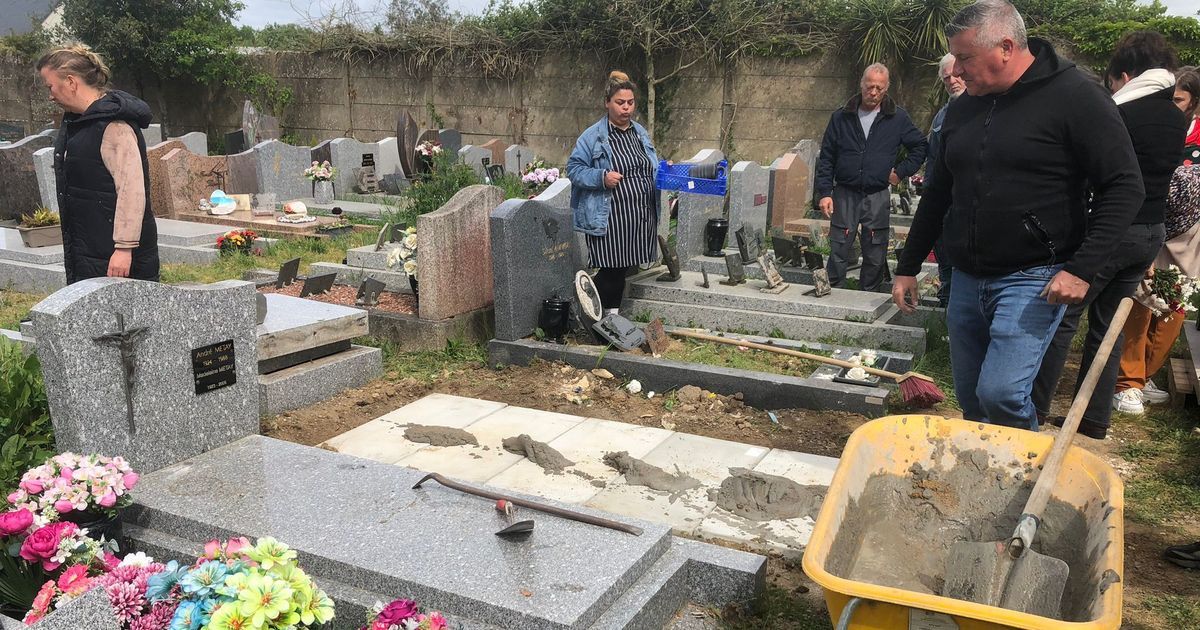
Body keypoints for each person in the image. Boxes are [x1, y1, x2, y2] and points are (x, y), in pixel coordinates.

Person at [892, 0, 1144, 430]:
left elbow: (1124, 186)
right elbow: (938, 192)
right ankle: (984, 466)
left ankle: (1024, 460)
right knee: (973, 398)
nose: (957, 71)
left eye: (965, 58)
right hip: (967, 276)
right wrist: (908, 265)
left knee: (1002, 394)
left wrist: (1082, 269)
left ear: (1006, 48)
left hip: (1032, 275)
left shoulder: (1076, 97)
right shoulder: (964, 106)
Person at [1031, 31, 1186, 438]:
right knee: (1109, 327)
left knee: (1063, 317)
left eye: (1113, 81)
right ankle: (1094, 419)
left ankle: (1035, 410)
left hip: (1115, 228)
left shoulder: (1122, 112)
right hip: (1151, 231)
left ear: (1125, 75)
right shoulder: (1177, 116)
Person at [1113, 69, 1200, 413]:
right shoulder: (1156, 127)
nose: (1172, 105)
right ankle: (1128, 381)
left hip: (1188, 234)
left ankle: (1146, 373)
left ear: (1193, 102)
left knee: (1174, 304)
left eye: (1179, 100)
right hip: (1151, 220)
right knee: (1140, 300)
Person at [38, 45, 159, 284]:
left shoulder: (114, 127)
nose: (50, 96)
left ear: (71, 82)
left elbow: (131, 191)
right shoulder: (80, 123)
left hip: (115, 254)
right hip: (90, 247)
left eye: (50, 86)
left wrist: (124, 249)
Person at [815, 63, 927, 292]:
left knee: (875, 252)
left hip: (876, 195)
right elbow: (826, 157)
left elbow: (920, 147)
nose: (873, 92)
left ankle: (868, 296)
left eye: (879, 88)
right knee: (838, 248)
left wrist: (900, 172)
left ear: (886, 88)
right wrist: (825, 192)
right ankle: (832, 294)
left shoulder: (897, 118)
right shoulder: (841, 116)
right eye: (869, 86)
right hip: (845, 193)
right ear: (861, 84)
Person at [567, 70, 660, 314]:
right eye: (620, 103)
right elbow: (574, 169)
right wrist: (602, 177)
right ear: (607, 102)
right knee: (611, 269)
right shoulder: (593, 136)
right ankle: (592, 314)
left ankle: (610, 318)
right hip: (610, 218)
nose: (626, 108)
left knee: (622, 269)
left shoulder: (640, 133)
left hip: (639, 216)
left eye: (630, 102)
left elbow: (650, 165)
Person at [927, 53, 967, 307]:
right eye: (946, 78)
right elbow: (932, 161)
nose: (952, 81)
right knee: (946, 267)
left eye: (956, 75)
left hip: (965, 206)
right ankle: (944, 316)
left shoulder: (986, 110)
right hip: (943, 206)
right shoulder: (940, 117)